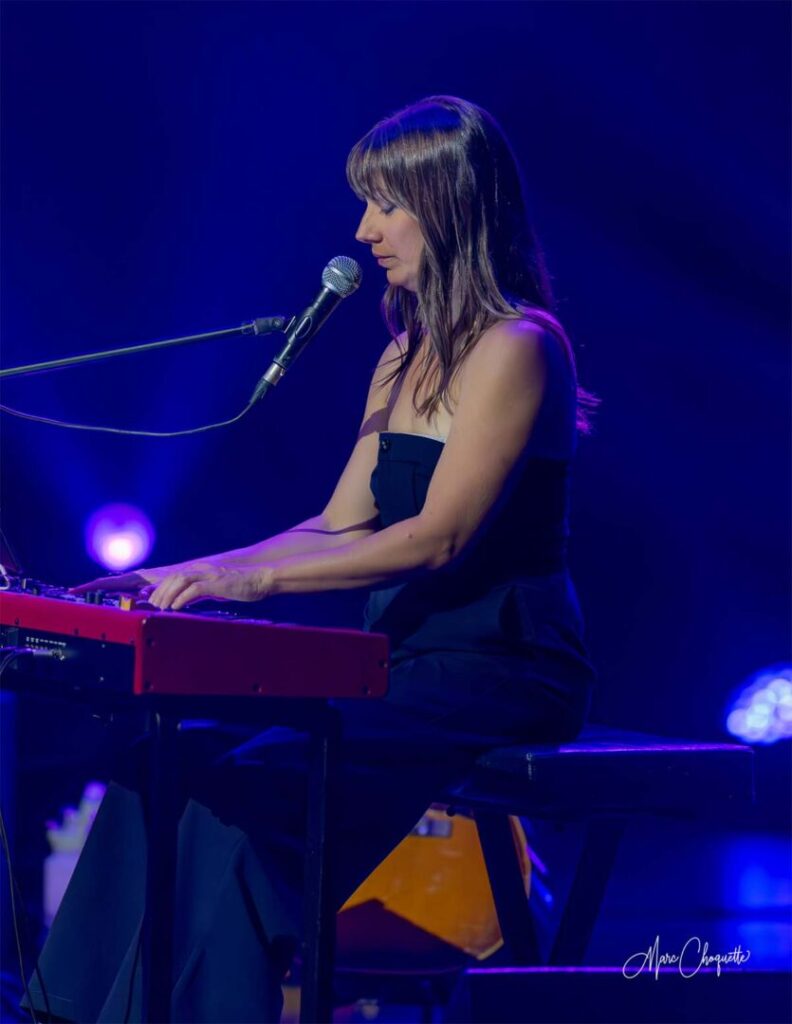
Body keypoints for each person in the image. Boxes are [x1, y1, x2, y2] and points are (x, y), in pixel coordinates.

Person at [26, 95, 598, 1023]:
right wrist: (173, 575)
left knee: (243, 805)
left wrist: (241, 582)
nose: (364, 230)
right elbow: (339, 525)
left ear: (447, 201)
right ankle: (74, 1013)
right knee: (155, 768)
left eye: (385, 204)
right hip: (398, 665)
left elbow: (434, 538)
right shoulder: (404, 356)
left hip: (498, 669)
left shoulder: (520, 346)